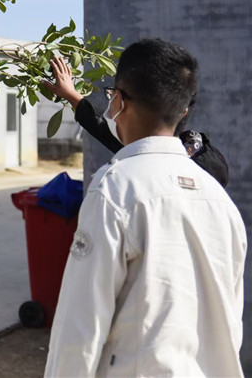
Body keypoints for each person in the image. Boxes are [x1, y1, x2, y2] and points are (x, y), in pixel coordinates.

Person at [44, 38, 247, 377]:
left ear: (119, 101)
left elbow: (80, 327)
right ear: (183, 111)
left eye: (111, 96)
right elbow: (231, 319)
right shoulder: (221, 202)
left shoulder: (114, 189)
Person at [41, 56, 229, 186]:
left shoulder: (120, 184)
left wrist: (71, 95)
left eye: (118, 96)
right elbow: (104, 130)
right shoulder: (192, 151)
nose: (115, 105)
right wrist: (72, 95)